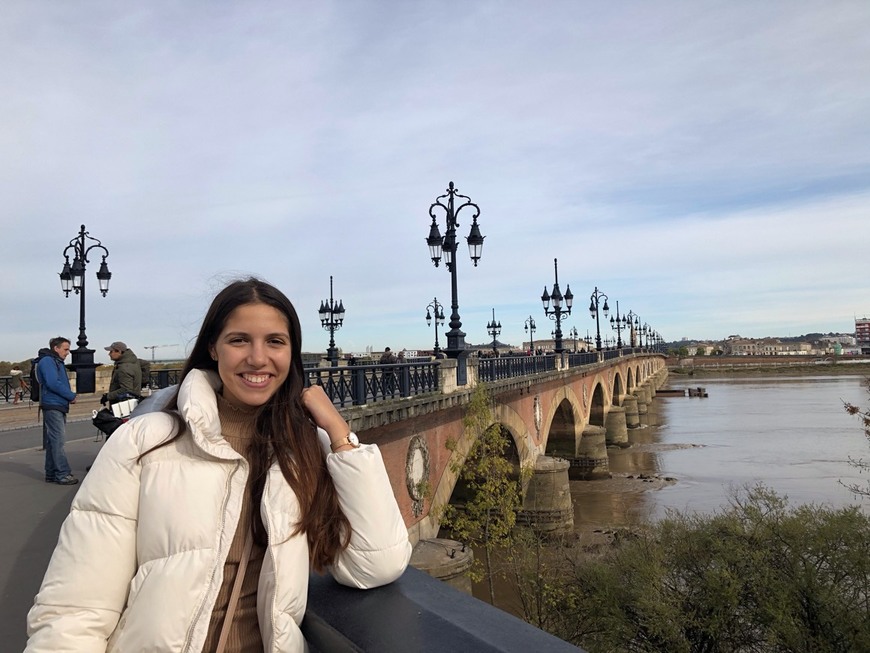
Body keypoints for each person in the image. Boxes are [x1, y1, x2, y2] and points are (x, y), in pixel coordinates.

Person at [26, 278, 412, 652]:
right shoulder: (146, 441)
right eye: (239, 340)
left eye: (275, 341)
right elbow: (76, 608)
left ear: (291, 353)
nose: (258, 358)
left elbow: (376, 563)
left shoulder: (305, 450)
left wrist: (340, 436)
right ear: (214, 347)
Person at [35, 337, 78, 485]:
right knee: (58, 441)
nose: (68, 352)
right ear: (56, 348)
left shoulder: (54, 361)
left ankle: (52, 473)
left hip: (56, 404)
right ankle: (62, 474)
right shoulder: (48, 361)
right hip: (53, 404)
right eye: (65, 349)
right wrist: (70, 395)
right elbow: (53, 383)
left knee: (53, 441)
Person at [101, 341, 143, 405]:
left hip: (122, 404)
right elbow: (146, 364)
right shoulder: (134, 361)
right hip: (133, 400)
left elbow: (126, 389)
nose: (109, 354)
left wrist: (107, 396)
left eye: (111, 351)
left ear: (119, 352)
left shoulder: (124, 368)